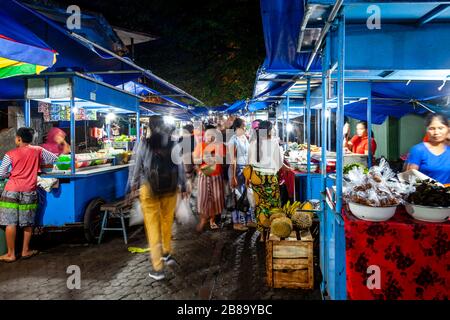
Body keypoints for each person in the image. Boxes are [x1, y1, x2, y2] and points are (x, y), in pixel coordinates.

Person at [129, 116, 187, 280]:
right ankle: (167, 253)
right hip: (170, 188)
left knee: (153, 227)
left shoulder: (143, 143)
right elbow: (179, 166)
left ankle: (158, 268)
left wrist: (133, 185)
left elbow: (136, 165)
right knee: (167, 221)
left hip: (149, 189)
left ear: (150, 127)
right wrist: (183, 186)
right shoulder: (173, 142)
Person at [0, 127, 57, 262]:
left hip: (11, 190)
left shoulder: (10, 154)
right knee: (28, 223)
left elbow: (1, 173)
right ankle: (25, 251)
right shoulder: (38, 150)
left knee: (10, 223)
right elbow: (54, 159)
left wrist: (11, 174)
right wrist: (38, 164)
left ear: (19, 138)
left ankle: (11, 254)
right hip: (29, 190)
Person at [244, 121, 293, 242]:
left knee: (260, 206)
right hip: (269, 178)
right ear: (270, 131)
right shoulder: (274, 143)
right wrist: (289, 169)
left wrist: (247, 180)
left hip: (256, 178)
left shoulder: (253, 144)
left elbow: (248, 164)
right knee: (273, 206)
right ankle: (272, 232)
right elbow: (279, 164)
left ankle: (262, 234)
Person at [193, 125, 226, 232]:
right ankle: (203, 220)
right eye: (208, 135)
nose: (209, 137)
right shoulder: (200, 146)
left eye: (212, 135)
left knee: (215, 199)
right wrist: (200, 170)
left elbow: (223, 159)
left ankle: (212, 220)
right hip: (204, 175)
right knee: (203, 198)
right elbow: (196, 162)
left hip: (216, 176)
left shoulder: (220, 146)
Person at [405, 113, 450, 185]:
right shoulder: (418, 150)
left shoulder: (448, 150)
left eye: (440, 128)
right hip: (426, 193)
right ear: (427, 130)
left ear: (448, 129)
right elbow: (410, 177)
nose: (436, 132)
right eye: (432, 128)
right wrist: (433, 186)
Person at [228, 118, 256, 231]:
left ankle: (249, 220)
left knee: (247, 195)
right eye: (244, 125)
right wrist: (233, 176)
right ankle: (237, 222)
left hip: (245, 169)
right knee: (237, 196)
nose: (246, 127)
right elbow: (233, 160)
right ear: (238, 127)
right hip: (236, 170)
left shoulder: (244, 138)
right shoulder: (233, 140)